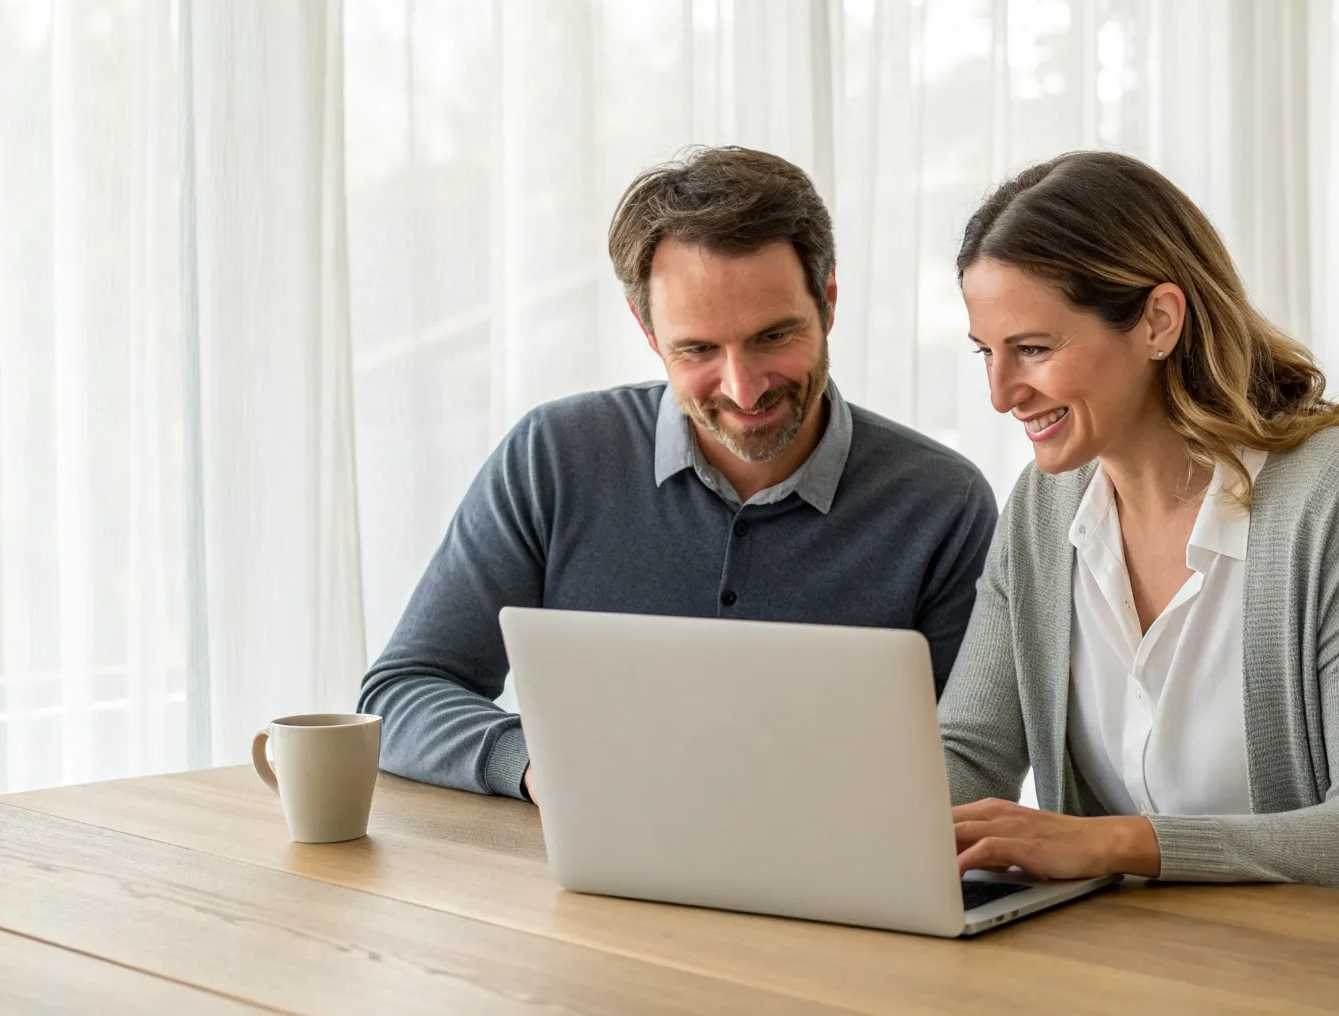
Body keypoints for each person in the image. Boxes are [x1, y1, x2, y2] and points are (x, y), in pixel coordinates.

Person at [939, 151, 1339, 910]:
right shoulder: (1043, 514)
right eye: (987, 353)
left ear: (1158, 322)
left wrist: (1119, 842)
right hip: (1156, 965)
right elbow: (971, 752)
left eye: (1034, 349)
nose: (1002, 393)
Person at [360, 146, 999, 803]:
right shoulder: (553, 458)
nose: (744, 389)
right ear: (646, 329)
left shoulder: (942, 504)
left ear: (828, 301)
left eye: (774, 337)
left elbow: (968, 771)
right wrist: (532, 764)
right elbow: (402, 693)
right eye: (697, 349)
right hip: (584, 889)